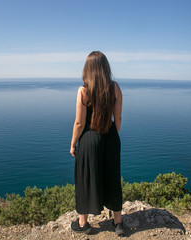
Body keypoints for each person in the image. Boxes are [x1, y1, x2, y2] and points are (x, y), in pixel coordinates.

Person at [70, 51, 124, 236]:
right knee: (112, 178)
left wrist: (72, 144)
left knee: (85, 178)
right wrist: (112, 137)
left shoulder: (83, 90)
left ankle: (83, 223)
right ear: (105, 67)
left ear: (88, 69)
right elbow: (117, 117)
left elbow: (79, 123)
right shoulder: (115, 87)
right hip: (110, 137)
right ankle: (118, 223)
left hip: (89, 140)